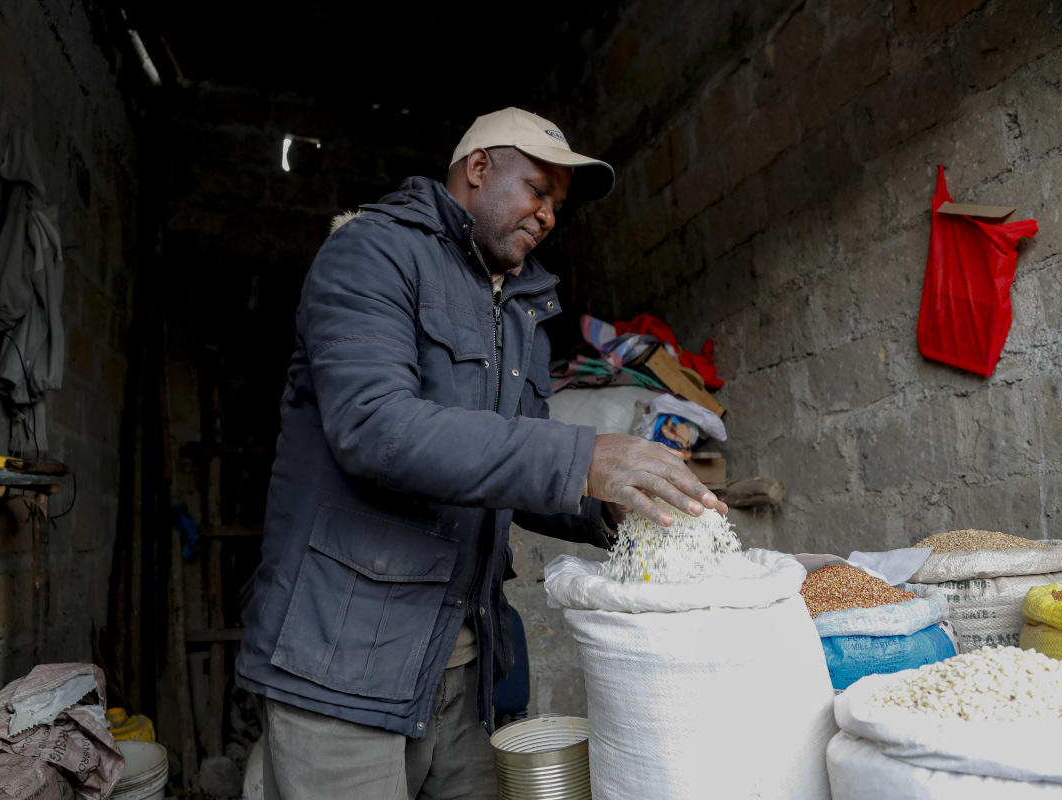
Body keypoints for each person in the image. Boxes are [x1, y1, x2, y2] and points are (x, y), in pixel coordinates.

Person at [236, 107, 726, 800]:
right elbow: (375, 427)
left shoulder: (522, 310)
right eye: (537, 189)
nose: (549, 214)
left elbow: (511, 474)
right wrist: (583, 455)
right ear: (478, 169)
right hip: (341, 666)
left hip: (465, 670)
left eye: (558, 204)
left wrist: (622, 503)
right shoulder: (372, 253)